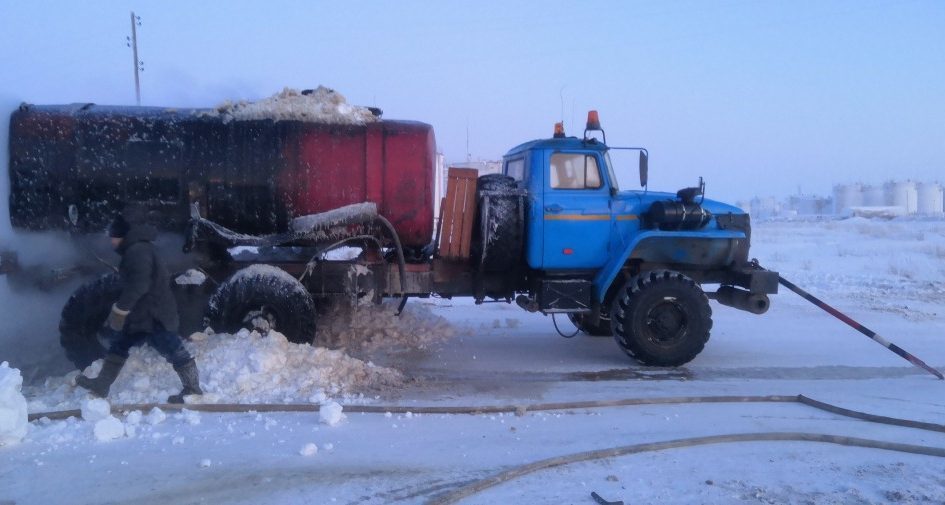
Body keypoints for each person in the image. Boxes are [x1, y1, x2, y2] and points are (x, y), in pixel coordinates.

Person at [76, 207, 203, 403]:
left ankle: (193, 388)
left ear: (123, 236)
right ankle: (102, 384)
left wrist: (120, 309)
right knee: (119, 345)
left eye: (114, 237)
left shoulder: (138, 251)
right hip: (142, 314)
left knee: (173, 348)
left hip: (154, 314)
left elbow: (139, 284)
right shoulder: (138, 249)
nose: (112, 241)